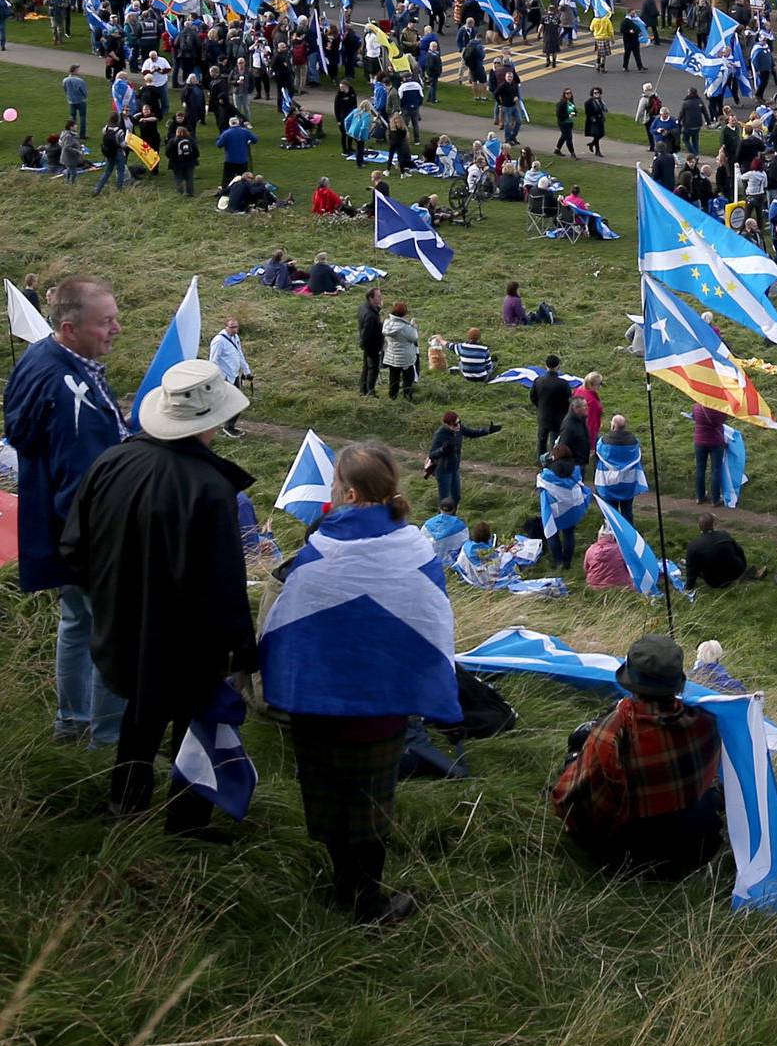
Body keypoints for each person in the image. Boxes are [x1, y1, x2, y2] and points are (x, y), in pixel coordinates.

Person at [259, 439, 459, 926]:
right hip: (380, 711)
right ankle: (364, 898)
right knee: (370, 806)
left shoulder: (315, 552)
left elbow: (282, 626)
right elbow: (430, 621)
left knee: (329, 799)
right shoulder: (416, 552)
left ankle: (346, 887)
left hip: (317, 708)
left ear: (348, 494)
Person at [59, 360, 256, 830]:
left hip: (119, 625)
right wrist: (243, 653)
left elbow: (73, 546)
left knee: (140, 717)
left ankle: (125, 805)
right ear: (210, 422)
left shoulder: (111, 461)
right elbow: (226, 582)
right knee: (193, 726)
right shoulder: (210, 487)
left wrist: (107, 593)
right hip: (188, 639)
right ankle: (186, 822)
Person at [3, 276, 129, 748]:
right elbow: (84, 479)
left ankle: (71, 722)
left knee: (76, 621)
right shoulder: (67, 388)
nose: (116, 329)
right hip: (88, 531)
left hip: (58, 525)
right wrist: (105, 538)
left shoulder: (41, 356)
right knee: (109, 629)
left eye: (116, 317)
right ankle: (107, 738)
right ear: (70, 328)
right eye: (106, 322)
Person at [549, 635, 725, 881]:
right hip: (695, 847)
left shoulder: (614, 731)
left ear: (631, 683)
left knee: (577, 756)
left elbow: (570, 802)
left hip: (631, 859)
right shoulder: (706, 722)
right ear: (677, 683)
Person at [426, 410, 500, 510]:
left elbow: (472, 433)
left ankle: (452, 519)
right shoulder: (440, 434)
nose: (459, 426)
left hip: (454, 469)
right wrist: (442, 450)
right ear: (447, 425)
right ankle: (442, 523)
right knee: (445, 501)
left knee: (456, 497)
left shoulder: (459, 428)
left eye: (459, 422)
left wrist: (488, 430)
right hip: (443, 471)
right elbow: (432, 455)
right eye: (455, 424)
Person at [683, 512, 749, 592]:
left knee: (695, 563)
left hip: (716, 581)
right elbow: (739, 550)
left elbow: (691, 569)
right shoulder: (724, 535)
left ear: (699, 526)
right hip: (737, 572)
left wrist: (688, 587)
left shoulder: (693, 546)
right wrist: (744, 566)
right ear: (713, 524)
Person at [381, 300, 421, 402]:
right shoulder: (405, 327)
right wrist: (414, 327)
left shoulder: (386, 323)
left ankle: (392, 396)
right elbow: (414, 338)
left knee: (393, 377)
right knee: (408, 377)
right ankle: (407, 396)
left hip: (391, 355)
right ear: (404, 313)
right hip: (405, 357)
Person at [209, 316, 252, 391]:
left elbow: (239, 354)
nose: (235, 330)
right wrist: (217, 378)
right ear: (226, 327)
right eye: (232, 327)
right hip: (224, 377)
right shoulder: (219, 341)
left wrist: (247, 371)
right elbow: (213, 361)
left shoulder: (235, 337)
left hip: (234, 375)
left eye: (236, 327)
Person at [357, 286, 385, 399]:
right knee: (373, 369)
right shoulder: (371, 316)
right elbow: (367, 333)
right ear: (371, 298)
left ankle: (363, 389)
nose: (380, 298)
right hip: (372, 345)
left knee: (366, 367)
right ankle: (370, 392)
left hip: (367, 344)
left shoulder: (363, 307)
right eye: (378, 296)